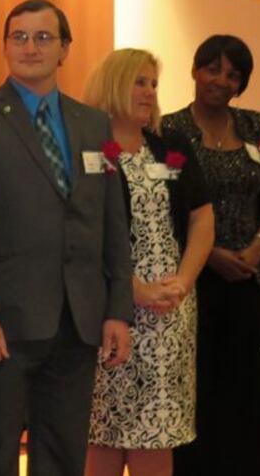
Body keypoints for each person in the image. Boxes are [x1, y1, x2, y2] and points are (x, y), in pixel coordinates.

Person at [0, 0, 132, 476]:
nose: (30, 47)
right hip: (5, 321)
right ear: (5, 47)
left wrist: (118, 309)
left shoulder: (93, 124)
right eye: (19, 37)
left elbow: (112, 222)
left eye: (43, 37)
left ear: (65, 49)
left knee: (63, 456)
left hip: (79, 320)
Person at [82, 49, 214, 476]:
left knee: (159, 430)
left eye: (154, 84)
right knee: (103, 429)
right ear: (114, 84)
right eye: (140, 82)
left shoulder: (170, 145)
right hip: (111, 308)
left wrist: (184, 281)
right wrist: (131, 288)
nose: (150, 92)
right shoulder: (89, 149)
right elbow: (82, 231)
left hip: (169, 315)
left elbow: (202, 217)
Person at [161, 34, 260, 475]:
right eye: (212, 69)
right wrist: (211, 253)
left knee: (247, 388)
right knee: (197, 386)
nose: (220, 80)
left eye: (233, 75)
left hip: (250, 279)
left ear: (242, 85)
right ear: (195, 71)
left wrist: (256, 249)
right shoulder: (169, 130)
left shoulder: (258, 127)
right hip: (191, 280)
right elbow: (166, 208)